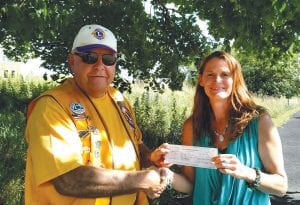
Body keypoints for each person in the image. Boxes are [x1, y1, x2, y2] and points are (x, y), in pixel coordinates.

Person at [24, 24, 167, 205]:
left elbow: (135, 145)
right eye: (89, 57)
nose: (99, 66)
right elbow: (67, 179)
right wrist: (142, 180)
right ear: (72, 61)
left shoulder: (119, 100)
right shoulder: (51, 106)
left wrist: (150, 157)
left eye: (108, 59)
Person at [153, 50, 288, 204]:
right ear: (201, 80)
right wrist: (166, 174)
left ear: (235, 79)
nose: (217, 80)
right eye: (210, 74)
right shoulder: (192, 126)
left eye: (225, 74)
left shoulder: (259, 121)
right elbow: (190, 184)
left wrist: (246, 172)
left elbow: (281, 186)